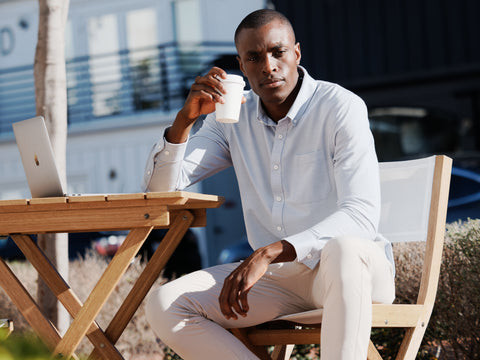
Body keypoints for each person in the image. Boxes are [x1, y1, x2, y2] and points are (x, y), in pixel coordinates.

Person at [142, 9, 395, 360]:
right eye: (254, 57)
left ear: (297, 54)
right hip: (278, 282)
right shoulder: (231, 118)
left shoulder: (340, 107)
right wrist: (184, 121)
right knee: (165, 303)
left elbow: (360, 216)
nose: (268, 66)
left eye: (278, 52)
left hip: (351, 273)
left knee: (344, 249)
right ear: (241, 66)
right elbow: (159, 192)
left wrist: (269, 251)